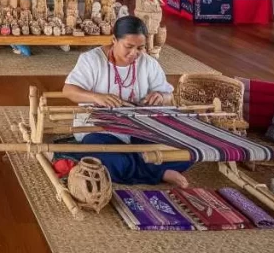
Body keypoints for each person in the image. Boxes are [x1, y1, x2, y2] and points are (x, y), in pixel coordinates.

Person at [59, 16, 191, 187]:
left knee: (189, 148)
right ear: (114, 40)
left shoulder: (148, 63)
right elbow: (68, 90)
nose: (134, 53)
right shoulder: (92, 60)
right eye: (129, 47)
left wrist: (160, 96)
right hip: (100, 129)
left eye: (140, 48)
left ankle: (140, 166)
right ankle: (159, 172)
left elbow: (168, 96)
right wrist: (95, 97)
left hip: (140, 127)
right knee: (106, 156)